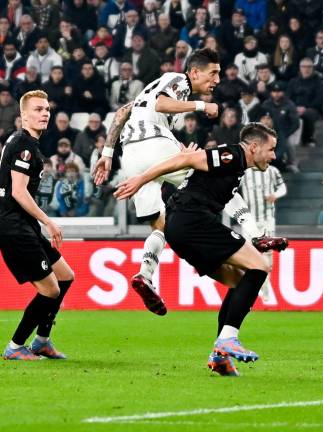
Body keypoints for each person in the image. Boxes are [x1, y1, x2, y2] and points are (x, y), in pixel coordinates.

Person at [93, 48, 265, 316]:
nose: (217, 80)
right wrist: (202, 106)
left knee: (162, 224)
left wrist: (106, 153)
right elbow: (161, 104)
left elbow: (122, 113)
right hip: (153, 143)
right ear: (194, 72)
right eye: (213, 73)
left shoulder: (148, 91)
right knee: (214, 177)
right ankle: (256, 234)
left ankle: (145, 274)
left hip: (131, 155)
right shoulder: (178, 80)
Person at [114, 123, 288, 376]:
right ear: (254, 147)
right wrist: (141, 179)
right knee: (261, 266)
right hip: (192, 221)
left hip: (180, 228)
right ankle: (227, 339)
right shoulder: (232, 155)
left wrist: (258, 237)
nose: (273, 156)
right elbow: (185, 159)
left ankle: (220, 357)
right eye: (271, 149)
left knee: (240, 282)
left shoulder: (237, 166)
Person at [0, 90, 74, 361]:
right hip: (17, 227)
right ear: (23, 115)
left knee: (65, 276)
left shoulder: (17, 141)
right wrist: (48, 221)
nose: (44, 113)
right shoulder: (24, 146)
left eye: (47, 109)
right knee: (50, 289)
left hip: (20, 223)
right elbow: (19, 192)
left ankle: (42, 341)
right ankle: (15, 346)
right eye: (37, 109)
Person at [239, 162, 287, 301]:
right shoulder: (244, 172)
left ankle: (265, 289)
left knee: (267, 255)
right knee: (247, 255)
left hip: (267, 221)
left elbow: (282, 187)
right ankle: (252, 288)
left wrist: (275, 195)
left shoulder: (272, 171)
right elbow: (233, 188)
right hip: (249, 221)